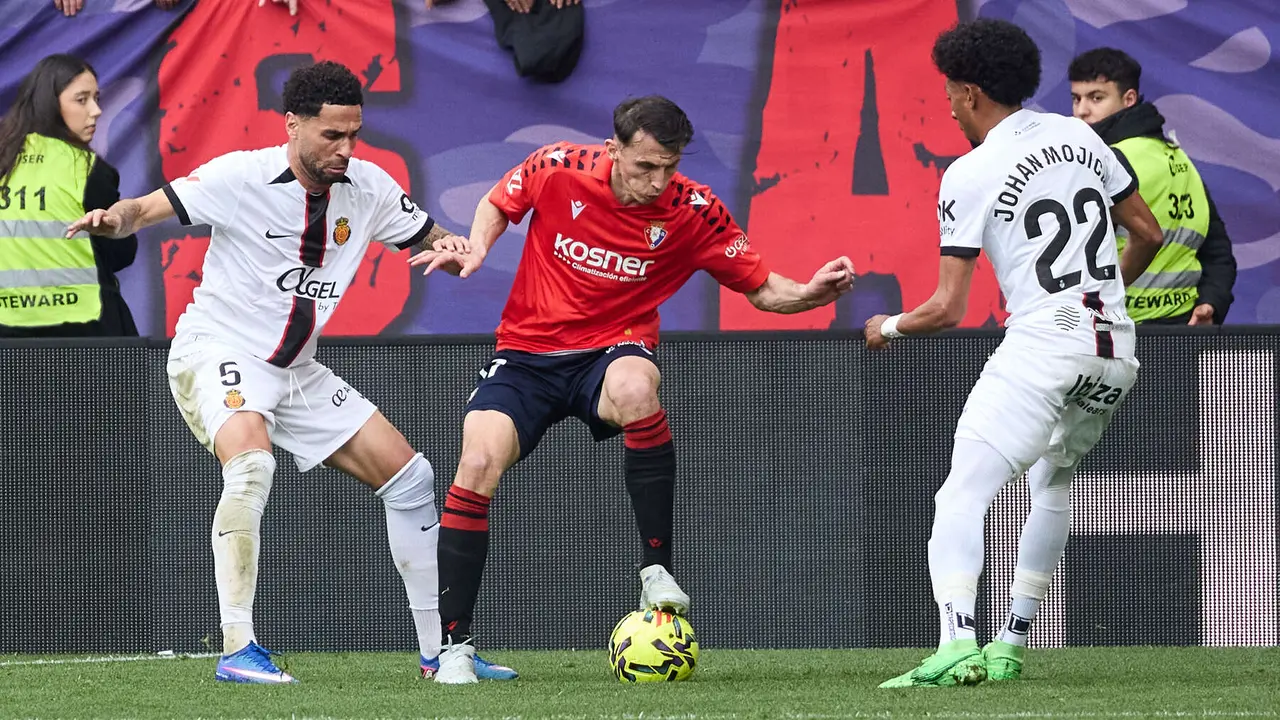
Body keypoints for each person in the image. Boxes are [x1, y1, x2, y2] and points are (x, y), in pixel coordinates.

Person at [65, 60, 516, 684]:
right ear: (293, 125)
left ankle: (441, 655)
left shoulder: (369, 186)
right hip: (216, 348)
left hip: (294, 369)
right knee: (252, 464)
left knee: (413, 479)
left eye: (354, 134)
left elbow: (427, 235)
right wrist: (114, 218)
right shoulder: (239, 176)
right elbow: (144, 209)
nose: (346, 148)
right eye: (332, 135)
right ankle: (237, 651)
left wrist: (456, 245)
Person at [410, 94, 856, 684]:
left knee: (635, 386)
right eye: (646, 166)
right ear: (613, 148)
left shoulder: (694, 210)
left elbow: (762, 287)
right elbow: (499, 200)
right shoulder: (556, 167)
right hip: (527, 354)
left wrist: (810, 292)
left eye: (669, 167)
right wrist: (479, 245)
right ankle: (457, 648)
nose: (658, 180)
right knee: (477, 460)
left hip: (613, 348)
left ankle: (655, 571)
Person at [863, 20, 1164, 688]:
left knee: (960, 495)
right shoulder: (1079, 133)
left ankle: (955, 645)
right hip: (1114, 347)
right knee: (1051, 483)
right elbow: (1146, 230)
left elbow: (947, 308)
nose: (945, 104)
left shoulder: (970, 173)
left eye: (949, 91)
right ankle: (1011, 642)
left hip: (1046, 339)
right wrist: (1103, 293)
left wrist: (887, 329)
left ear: (970, 92)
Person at [1069, 47, 1237, 325]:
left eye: (1096, 98)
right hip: (1182, 328)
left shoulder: (1104, 161)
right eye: (1076, 99)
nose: (1082, 111)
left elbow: (1074, 259)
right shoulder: (1179, 158)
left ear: (1129, 99)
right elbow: (1218, 252)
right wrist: (1212, 302)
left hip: (1116, 331)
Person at [0, 54, 138, 337]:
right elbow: (121, 252)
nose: (96, 110)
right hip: (86, 335)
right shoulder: (86, 168)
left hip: (9, 337)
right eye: (82, 99)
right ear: (50, 104)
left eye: (96, 98)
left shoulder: (3, 160)